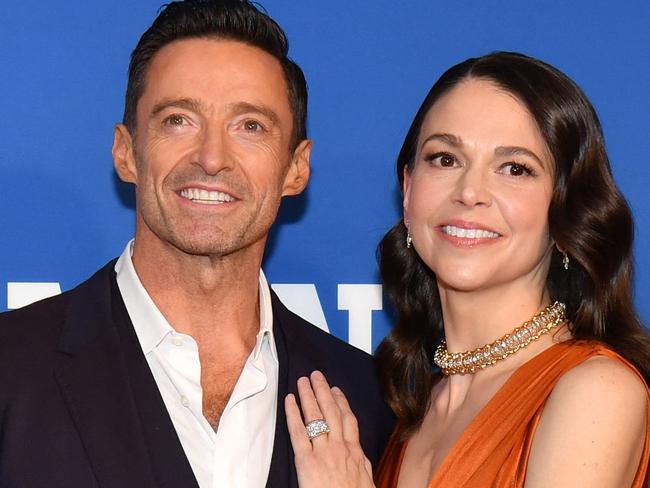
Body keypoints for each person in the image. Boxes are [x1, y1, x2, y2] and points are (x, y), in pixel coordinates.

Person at [0, 1, 394, 487]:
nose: (211, 158)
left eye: (250, 126)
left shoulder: (366, 399)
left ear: (296, 168)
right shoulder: (11, 366)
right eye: (178, 120)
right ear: (126, 152)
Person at [286, 52, 650, 487]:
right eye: (445, 159)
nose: (470, 192)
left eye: (515, 169)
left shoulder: (596, 390)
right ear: (407, 190)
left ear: (566, 210)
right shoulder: (413, 410)